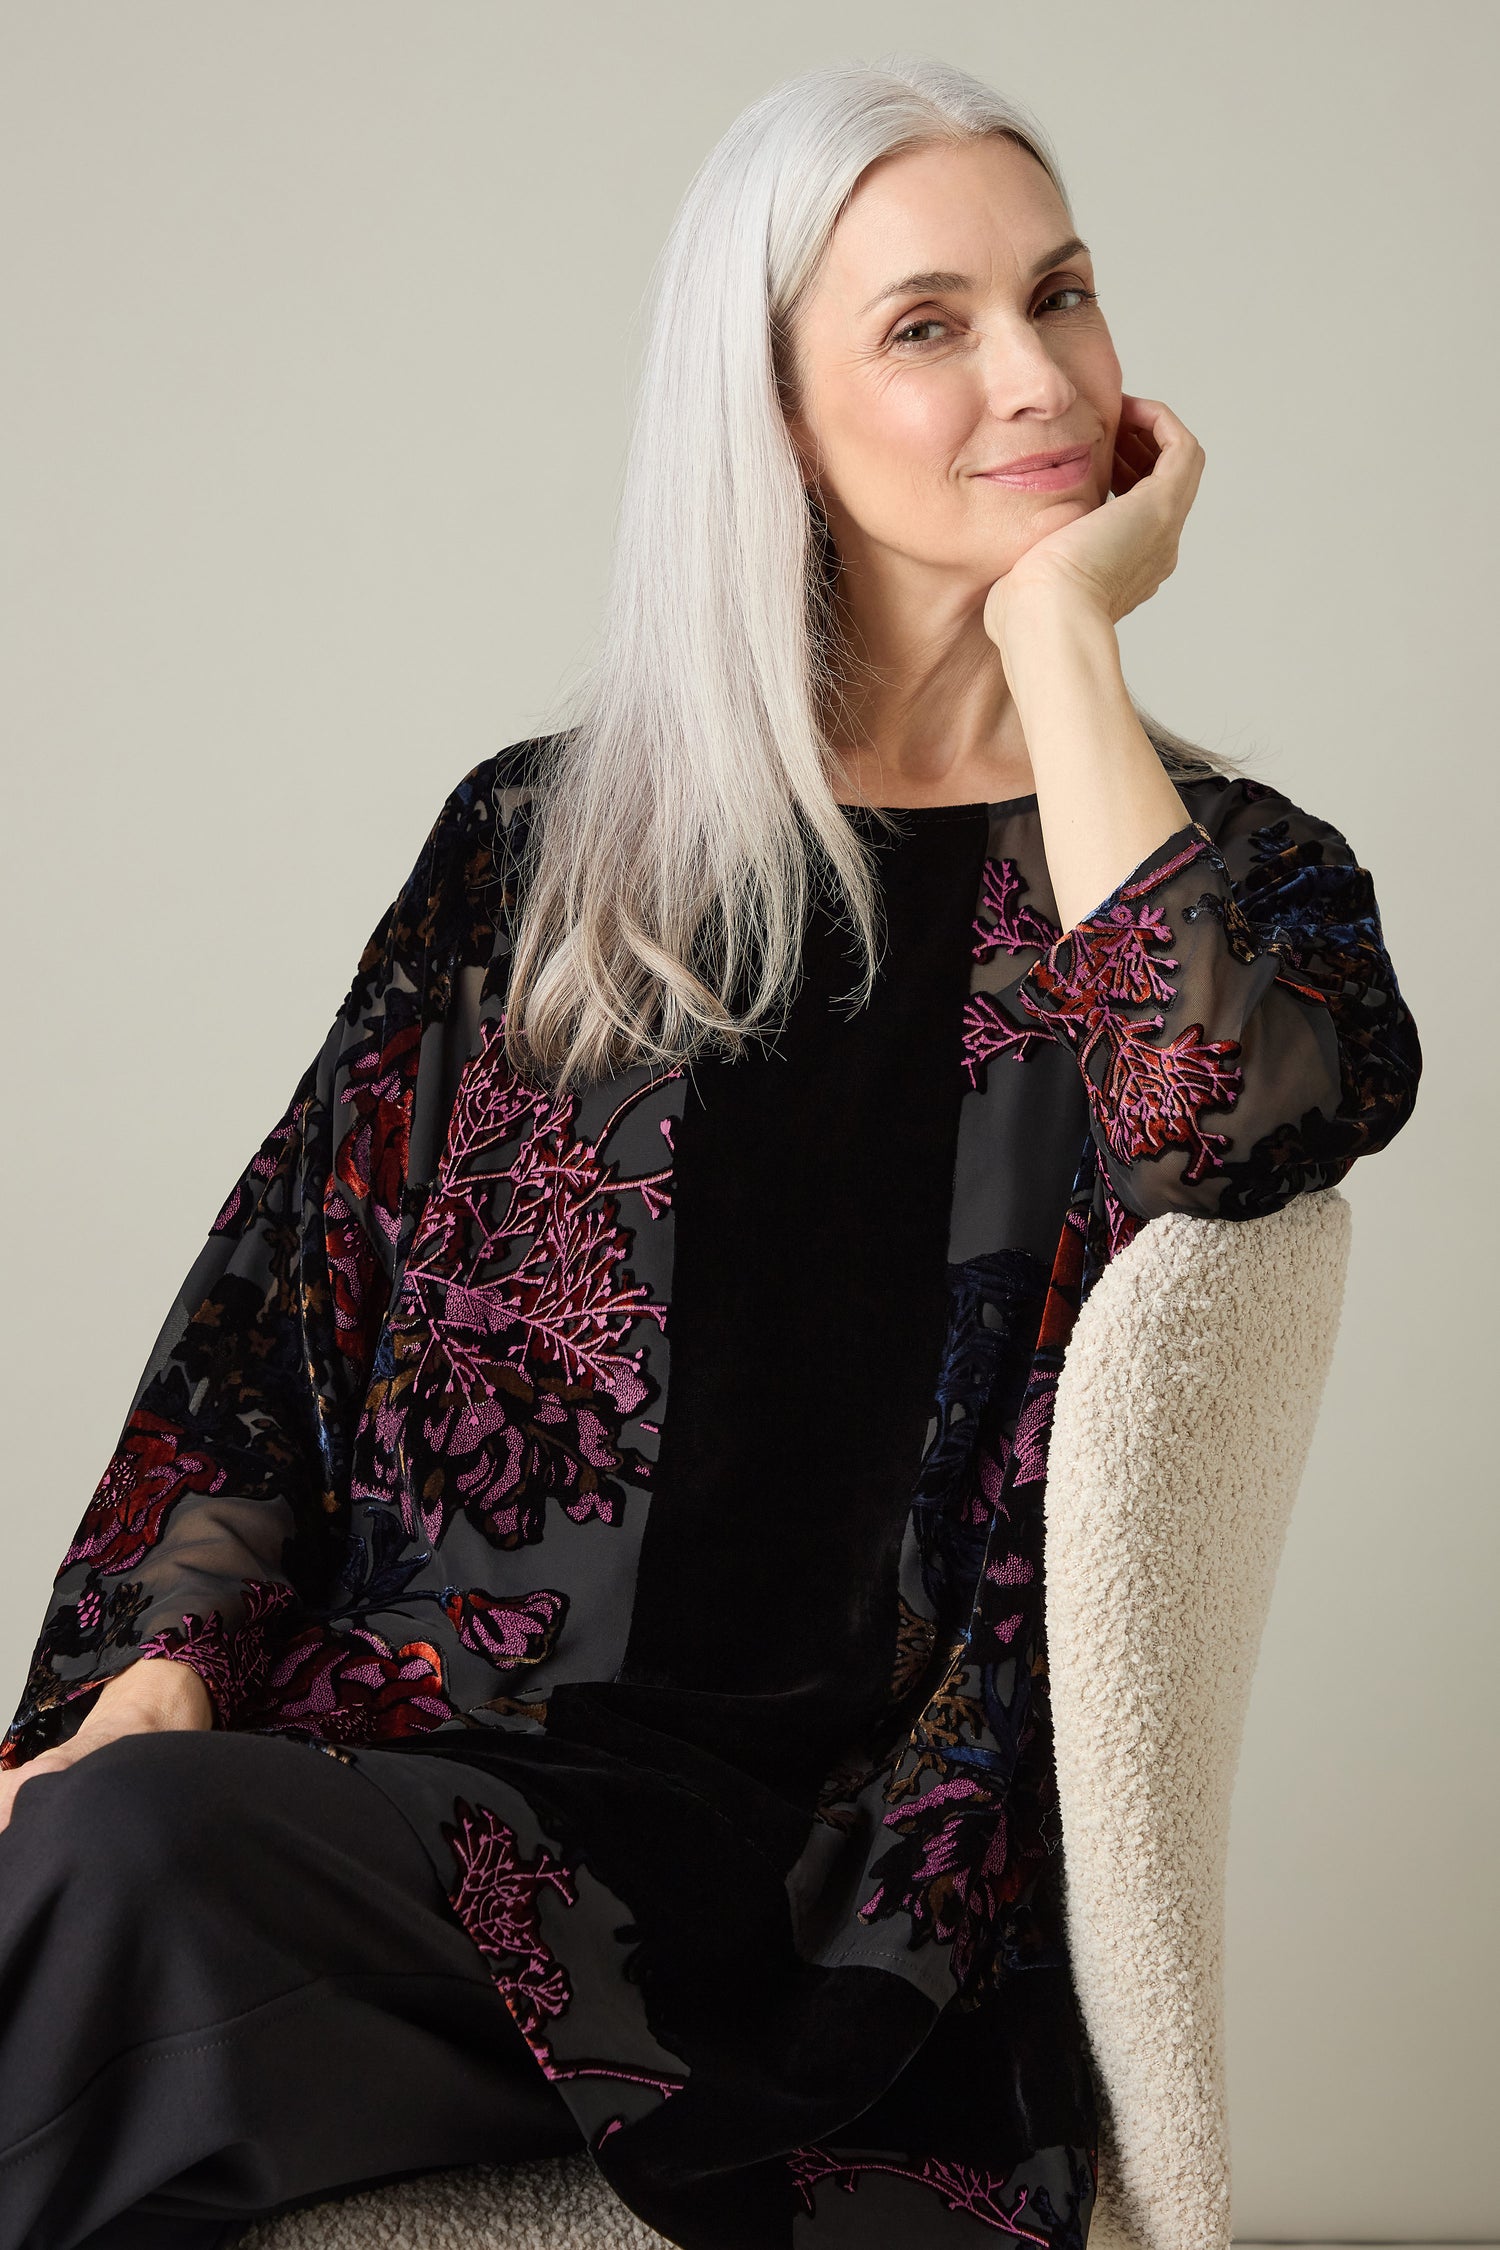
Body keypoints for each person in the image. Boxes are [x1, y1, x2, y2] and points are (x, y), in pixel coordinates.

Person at [0, 53, 1422, 2250]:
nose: (1035, 372)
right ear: (770, 415)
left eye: (1061, 295)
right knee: (96, 1858)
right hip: (447, 1817)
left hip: (854, 1891)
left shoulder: (1231, 880)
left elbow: (1228, 1125)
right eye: (927, 325)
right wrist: (163, 1665)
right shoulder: (546, 852)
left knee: (93, 1914)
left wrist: (1062, 644)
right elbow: (275, 1318)